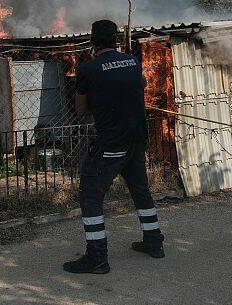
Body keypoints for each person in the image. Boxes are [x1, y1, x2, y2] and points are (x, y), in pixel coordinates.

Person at [63, 19, 165, 274]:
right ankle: (154, 242)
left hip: (112, 142)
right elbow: (140, 86)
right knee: (140, 190)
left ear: (93, 42)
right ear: (116, 40)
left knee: (90, 196)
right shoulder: (133, 62)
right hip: (136, 138)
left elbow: (80, 109)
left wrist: (102, 98)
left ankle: (97, 257)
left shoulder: (88, 69)